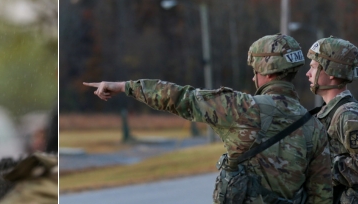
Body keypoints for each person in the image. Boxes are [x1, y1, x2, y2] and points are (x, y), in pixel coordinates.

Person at [83, 34, 332, 203]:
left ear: (263, 71)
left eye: (254, 71)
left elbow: (180, 98)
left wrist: (122, 86)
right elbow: (321, 195)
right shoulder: (315, 125)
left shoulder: (241, 107)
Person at [305, 37, 358, 202]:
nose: (308, 74)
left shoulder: (347, 115)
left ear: (332, 72)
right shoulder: (327, 112)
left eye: (313, 67)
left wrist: (321, 168)